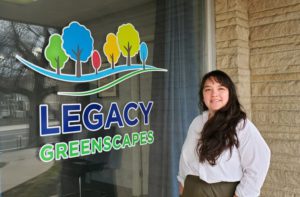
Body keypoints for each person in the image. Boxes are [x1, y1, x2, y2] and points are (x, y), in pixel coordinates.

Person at [177, 70, 271, 197]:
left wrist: (242, 195)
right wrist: (183, 185)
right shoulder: (197, 123)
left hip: (223, 192)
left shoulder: (240, 125)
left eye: (220, 88)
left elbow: (258, 162)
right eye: (208, 89)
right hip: (191, 190)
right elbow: (186, 159)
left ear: (230, 93)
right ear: (202, 95)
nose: (214, 94)